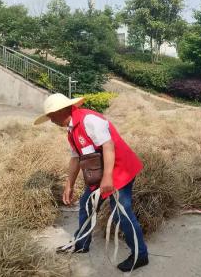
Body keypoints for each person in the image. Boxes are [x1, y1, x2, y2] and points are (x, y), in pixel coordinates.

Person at [34, 93, 148, 272]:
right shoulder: (71, 130)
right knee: (86, 204)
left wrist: (108, 177)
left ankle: (140, 255)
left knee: (122, 213)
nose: (51, 120)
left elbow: (108, 147)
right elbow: (76, 158)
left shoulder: (89, 120)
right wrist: (69, 184)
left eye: (51, 116)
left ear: (62, 111)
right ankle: (81, 243)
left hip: (119, 170)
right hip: (100, 172)